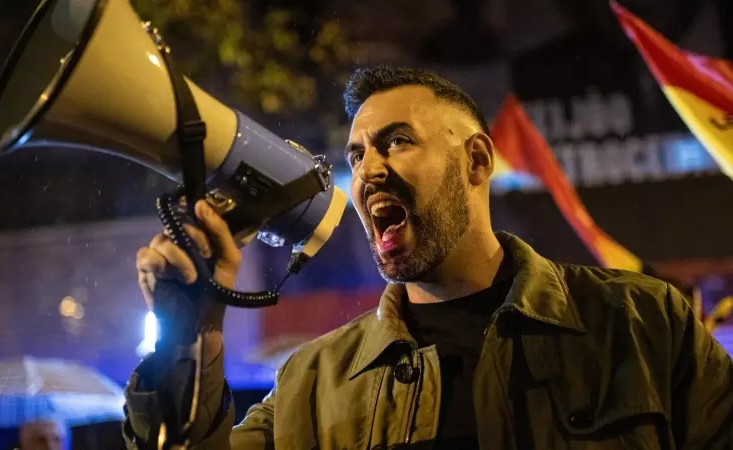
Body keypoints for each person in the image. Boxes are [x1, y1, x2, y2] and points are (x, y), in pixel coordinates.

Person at [124, 66, 733, 449]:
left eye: (397, 142)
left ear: (476, 162)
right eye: (357, 155)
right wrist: (189, 337)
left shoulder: (642, 324)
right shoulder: (311, 385)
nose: (368, 171)